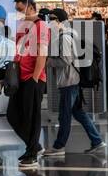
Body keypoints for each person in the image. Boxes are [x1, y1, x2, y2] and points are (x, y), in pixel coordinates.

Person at [43, 9, 104, 158]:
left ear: (60, 21)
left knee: (64, 115)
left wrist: (47, 61)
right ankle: (97, 141)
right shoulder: (70, 34)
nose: (49, 22)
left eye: (52, 19)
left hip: (69, 81)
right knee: (79, 113)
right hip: (72, 80)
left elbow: (66, 60)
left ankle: (59, 146)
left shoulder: (64, 38)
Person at [9, 0, 49, 168]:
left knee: (32, 116)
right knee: (13, 114)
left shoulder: (40, 26)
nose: (18, 12)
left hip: (34, 78)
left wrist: (34, 77)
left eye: (20, 9)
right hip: (20, 77)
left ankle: (32, 153)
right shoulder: (22, 26)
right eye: (16, 10)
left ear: (30, 7)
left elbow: (42, 54)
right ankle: (34, 146)